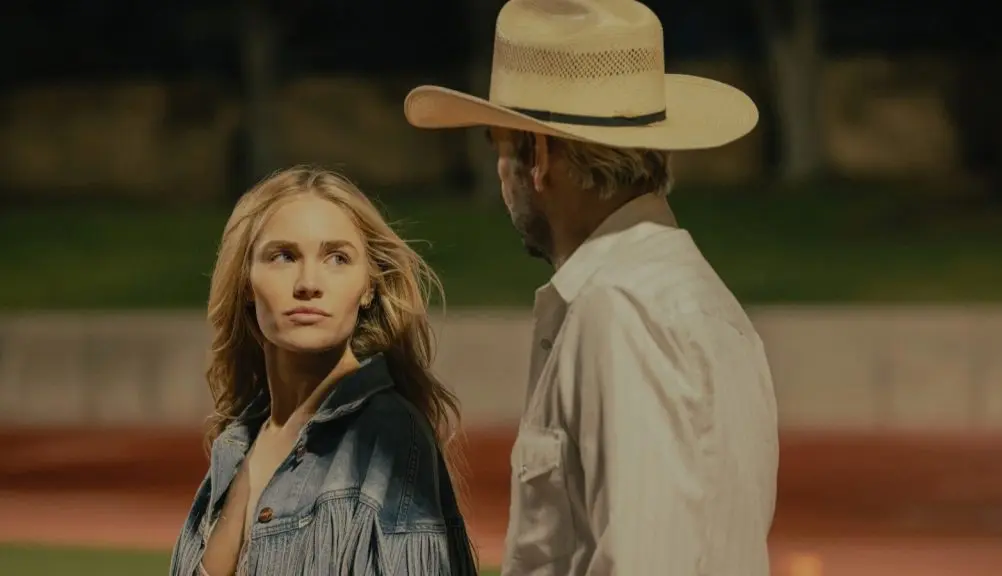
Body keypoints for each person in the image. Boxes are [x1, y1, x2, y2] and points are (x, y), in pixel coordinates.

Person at [403, 1, 779, 575]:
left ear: (540, 156)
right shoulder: (682, 298)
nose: (500, 173)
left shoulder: (620, 309)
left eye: (499, 145)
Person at [169, 166, 477, 576]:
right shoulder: (236, 444)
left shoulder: (389, 436)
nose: (308, 283)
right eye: (283, 256)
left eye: (337, 258)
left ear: (369, 286)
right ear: (246, 282)